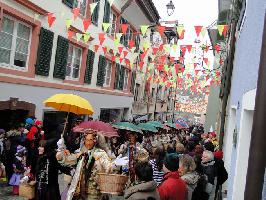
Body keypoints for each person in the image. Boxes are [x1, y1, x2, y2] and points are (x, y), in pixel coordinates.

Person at [56, 130, 125, 200]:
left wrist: (115, 164)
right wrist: (61, 149)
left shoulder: (101, 154)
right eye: (86, 140)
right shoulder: (81, 152)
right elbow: (67, 160)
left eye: (90, 140)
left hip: (94, 191)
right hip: (80, 190)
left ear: (95, 141)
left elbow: (108, 167)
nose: (88, 143)